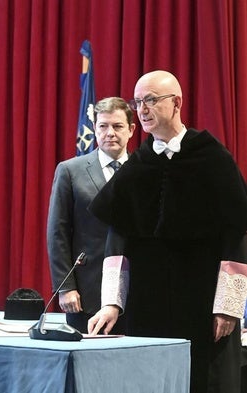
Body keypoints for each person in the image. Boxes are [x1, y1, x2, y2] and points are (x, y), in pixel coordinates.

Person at [87, 70, 247, 393]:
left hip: (204, 305)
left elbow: (237, 234)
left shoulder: (211, 157)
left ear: (176, 103)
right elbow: (116, 241)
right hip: (149, 305)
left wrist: (228, 306)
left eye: (150, 100)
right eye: (138, 102)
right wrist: (111, 303)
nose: (142, 109)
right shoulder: (138, 165)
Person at [46, 97, 134, 333]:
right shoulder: (70, 170)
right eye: (103, 126)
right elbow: (58, 233)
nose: (110, 133)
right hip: (85, 293)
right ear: (94, 129)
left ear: (131, 130)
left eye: (117, 126)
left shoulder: (143, 169)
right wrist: (65, 287)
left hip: (136, 291)